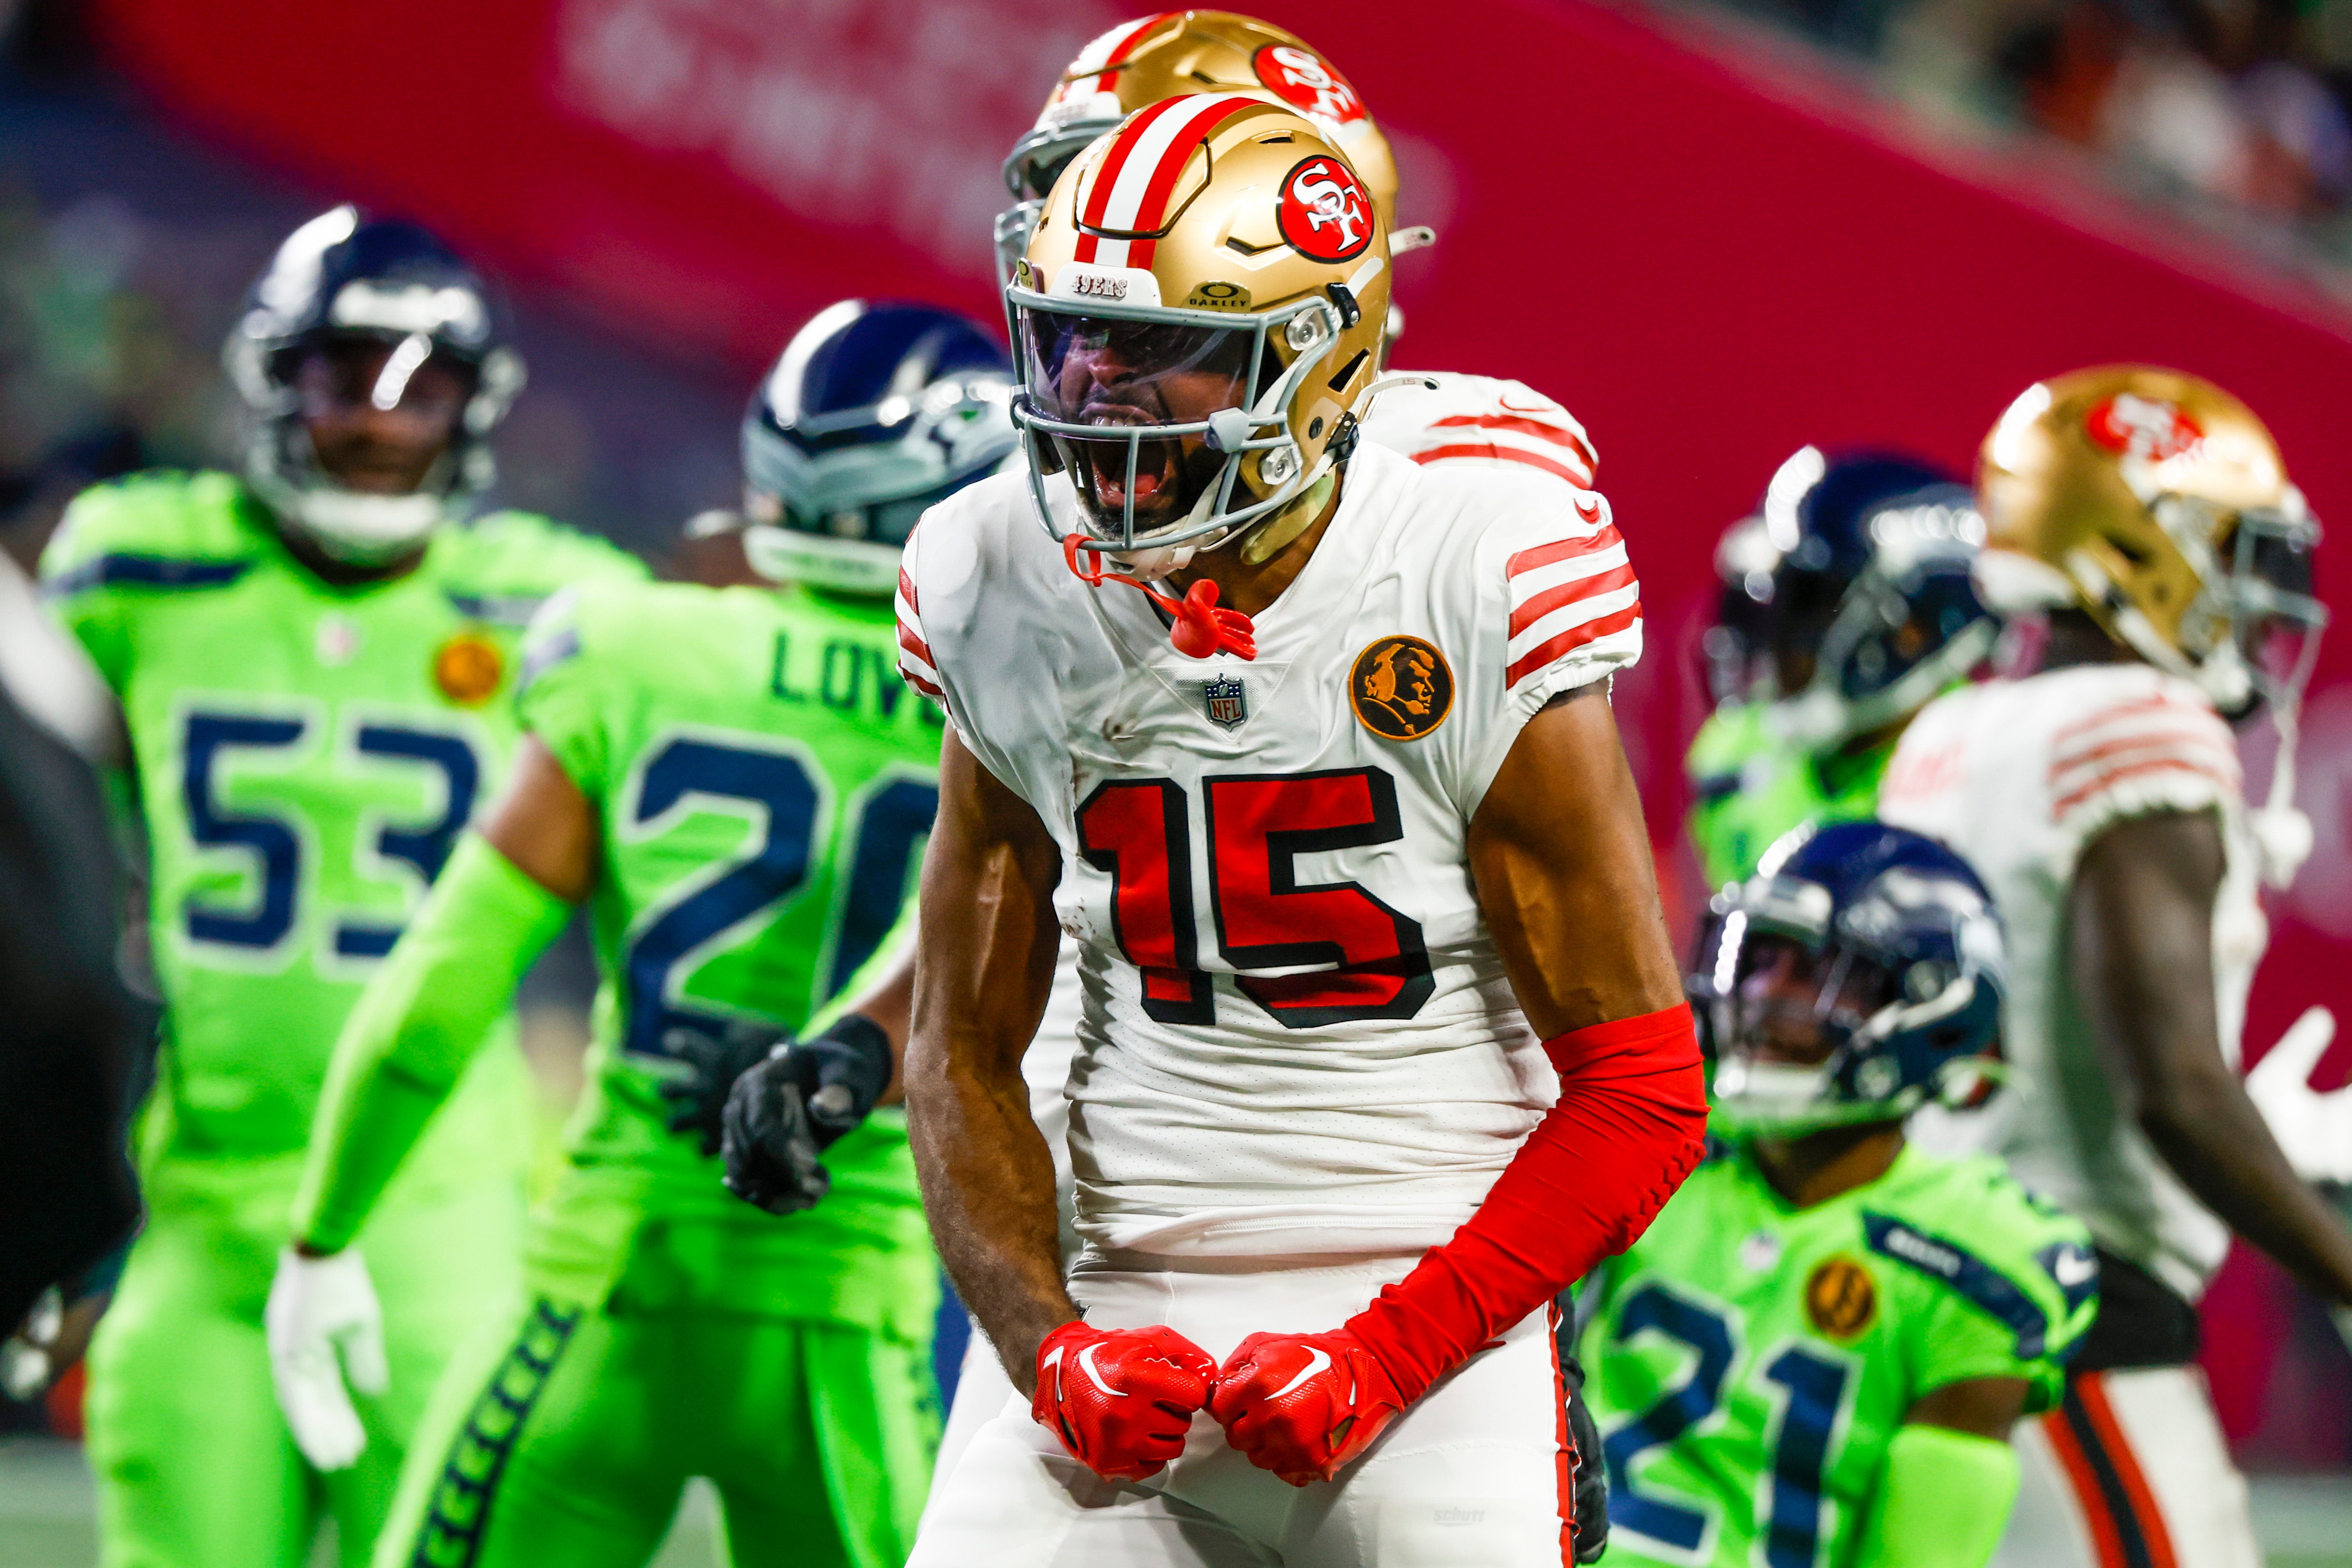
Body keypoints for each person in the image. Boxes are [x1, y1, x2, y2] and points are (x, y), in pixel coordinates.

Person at [898, 99, 1706, 1567]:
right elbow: (955, 1043)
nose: (1091, 384)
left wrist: (1386, 1354)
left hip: (1425, 1319)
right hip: (1110, 1303)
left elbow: (1642, 1092)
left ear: (1318, 363)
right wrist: (1044, 1340)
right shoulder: (992, 568)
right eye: (1073, 334)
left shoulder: (1470, 567)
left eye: (1153, 347)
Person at [271, 300, 1017, 1568]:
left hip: (607, 1286)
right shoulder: (1016, 691)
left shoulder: (633, 647)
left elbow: (440, 991)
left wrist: (323, 1232)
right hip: (849, 1318)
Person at [38, 206, 645, 1568]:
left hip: (442, 1211)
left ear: (472, 408)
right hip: (194, 1205)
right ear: (272, 378)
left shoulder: (550, 601)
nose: (377, 421)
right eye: (343, 375)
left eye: (418, 386)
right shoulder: (137, 564)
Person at [1879, 365, 2350, 1568]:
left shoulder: (1948, 730)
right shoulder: (2139, 725)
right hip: (2072, 1307)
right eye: (2225, 549)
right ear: (2133, 545)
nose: (2252, 597)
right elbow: (2170, 1089)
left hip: (1922, 1276)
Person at [1587, 820, 2098, 1568]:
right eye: (1759, 959)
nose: (1764, 994)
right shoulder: (1650, 1141)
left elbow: (1917, 1552)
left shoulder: (1980, 1255)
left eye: (1820, 969)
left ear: (1931, 1006)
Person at [1686, 447, 1995, 890]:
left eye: (1810, 605)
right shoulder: (1735, 755)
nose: (1776, 644)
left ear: (1913, 630)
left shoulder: (1975, 763)